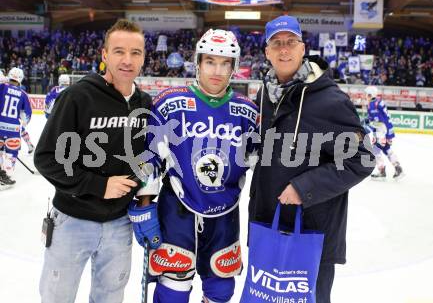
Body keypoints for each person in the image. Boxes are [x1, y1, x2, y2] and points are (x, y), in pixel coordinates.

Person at [248, 15, 374, 303]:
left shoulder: (330, 100)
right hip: (269, 224)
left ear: (303, 48)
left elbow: (362, 159)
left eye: (290, 42)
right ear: (267, 52)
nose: (284, 50)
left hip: (310, 232)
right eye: (276, 44)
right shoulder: (266, 94)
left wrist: (304, 188)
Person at [128, 29, 259, 303]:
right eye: (211, 61)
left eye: (225, 63)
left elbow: (263, 165)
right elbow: (150, 158)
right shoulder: (170, 103)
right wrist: (144, 207)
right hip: (177, 210)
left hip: (225, 213)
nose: (217, 70)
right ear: (198, 63)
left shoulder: (247, 111)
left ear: (234, 68)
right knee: (173, 289)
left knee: (222, 288)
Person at [34, 19, 152, 303]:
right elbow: (46, 158)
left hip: (120, 223)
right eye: (119, 51)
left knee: (109, 298)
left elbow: (145, 158)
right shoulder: (78, 96)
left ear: (144, 57)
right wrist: (99, 186)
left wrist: (145, 199)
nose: (127, 60)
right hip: (73, 222)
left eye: (135, 53)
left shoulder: (144, 103)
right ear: (104, 55)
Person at [0, 67, 32, 188]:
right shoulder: (23, 94)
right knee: (11, 153)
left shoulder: (2, 87)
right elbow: (26, 117)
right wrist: (22, 123)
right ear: (21, 79)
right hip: (13, 130)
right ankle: (7, 175)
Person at [364, 85, 403, 179]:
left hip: (382, 132)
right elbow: (373, 119)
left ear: (370, 94)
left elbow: (385, 120)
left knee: (375, 151)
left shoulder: (377, 103)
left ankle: (382, 171)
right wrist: (368, 121)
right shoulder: (371, 104)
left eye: (366, 94)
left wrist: (389, 135)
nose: (365, 96)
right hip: (379, 132)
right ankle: (398, 168)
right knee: (387, 150)